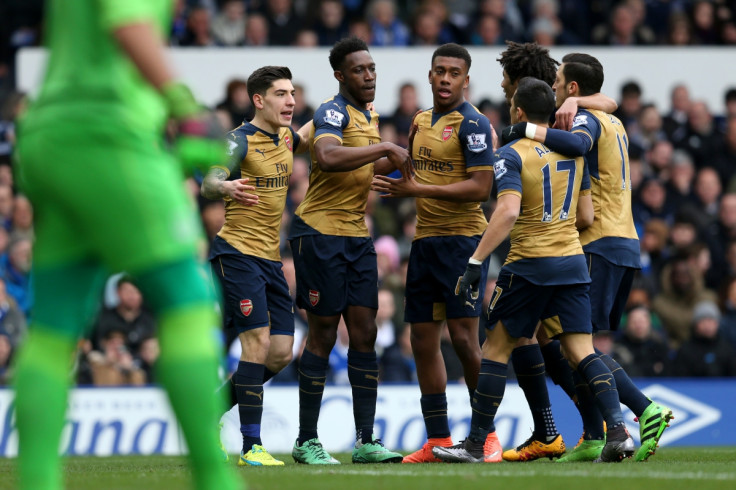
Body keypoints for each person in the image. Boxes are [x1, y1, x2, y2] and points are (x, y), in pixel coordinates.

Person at [12, 1, 240, 489]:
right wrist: (186, 110)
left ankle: (35, 481)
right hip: (108, 133)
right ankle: (214, 479)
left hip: (47, 136)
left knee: (53, 328)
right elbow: (129, 22)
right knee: (189, 300)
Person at [434, 77, 635, 464]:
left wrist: (477, 261)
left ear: (520, 112)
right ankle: (619, 432)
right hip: (573, 263)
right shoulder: (573, 154)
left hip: (528, 265)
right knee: (581, 350)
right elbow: (586, 215)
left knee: (496, 348)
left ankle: (476, 444)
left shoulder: (510, 154)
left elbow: (507, 211)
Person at [511, 53, 673, 462]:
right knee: (570, 339)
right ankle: (595, 434)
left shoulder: (587, 120)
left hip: (598, 240)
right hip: (622, 240)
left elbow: (579, 143)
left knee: (578, 342)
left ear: (573, 88)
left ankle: (642, 411)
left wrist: (525, 129)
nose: (556, 86)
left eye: (560, 80)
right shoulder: (612, 119)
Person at [370, 43, 495, 463]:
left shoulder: (474, 124)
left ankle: (486, 436)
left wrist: (418, 189)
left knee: (463, 338)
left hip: (463, 242)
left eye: (453, 72)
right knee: (422, 340)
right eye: (439, 70)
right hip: (424, 242)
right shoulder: (420, 121)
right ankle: (438, 438)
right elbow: (408, 170)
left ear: (465, 79)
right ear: (429, 75)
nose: (445, 78)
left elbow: (482, 188)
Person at [494, 41, 618, 462]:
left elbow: (603, 106)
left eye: (506, 80)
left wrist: (522, 131)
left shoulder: (561, 113)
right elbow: (609, 99)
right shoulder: (563, 108)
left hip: (557, 248)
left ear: (518, 88)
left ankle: (603, 422)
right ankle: (584, 428)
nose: (503, 87)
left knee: (560, 343)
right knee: (554, 341)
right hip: (566, 249)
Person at [287, 36, 409, 465]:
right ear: (341, 75)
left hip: (357, 236)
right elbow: (329, 155)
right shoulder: (331, 111)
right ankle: (306, 440)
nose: (369, 75)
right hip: (319, 233)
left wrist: (401, 156)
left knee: (366, 333)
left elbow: (365, 163)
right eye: (359, 70)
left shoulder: (367, 114)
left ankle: (366, 441)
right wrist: (385, 147)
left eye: (372, 68)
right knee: (322, 333)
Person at [201, 65, 311, 466]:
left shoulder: (285, 137)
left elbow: (309, 132)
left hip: (269, 259)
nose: (291, 101)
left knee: (281, 352)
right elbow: (209, 181)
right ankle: (251, 446)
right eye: (281, 94)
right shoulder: (238, 142)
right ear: (259, 100)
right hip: (237, 253)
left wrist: (345, 105)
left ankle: (208, 413)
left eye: (293, 93)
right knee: (257, 343)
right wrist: (224, 185)